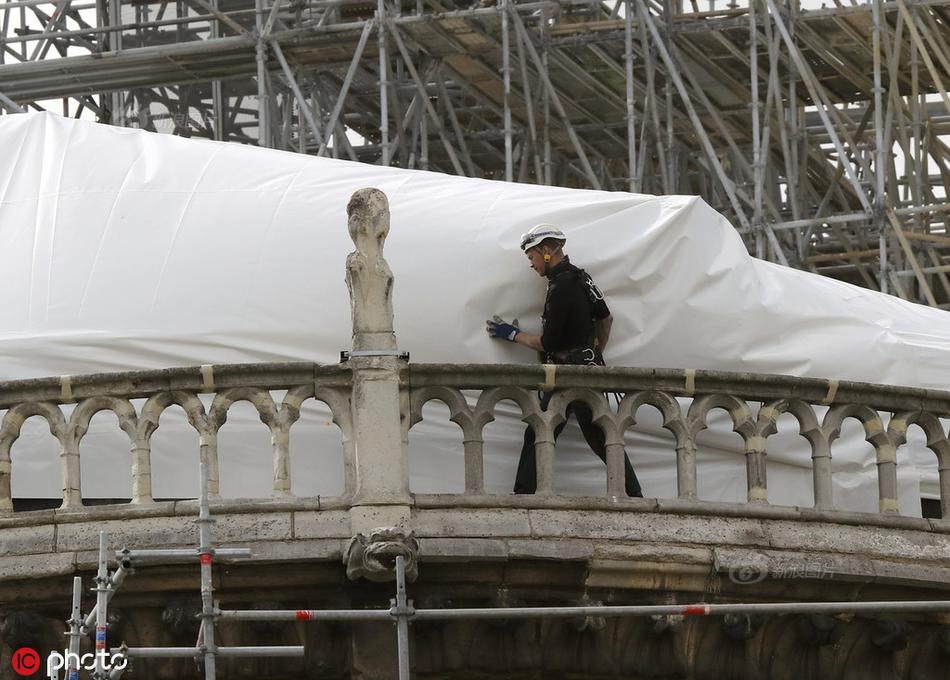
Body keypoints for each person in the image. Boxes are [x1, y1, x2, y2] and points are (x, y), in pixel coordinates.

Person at [486, 224, 643, 497]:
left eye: (532, 257)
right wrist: (593, 354)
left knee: (541, 429)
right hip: (587, 369)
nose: (531, 265)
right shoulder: (582, 278)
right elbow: (606, 319)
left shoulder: (560, 287)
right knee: (600, 436)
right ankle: (633, 495)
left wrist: (512, 334)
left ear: (546, 251)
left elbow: (547, 343)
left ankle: (524, 494)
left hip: (566, 373)